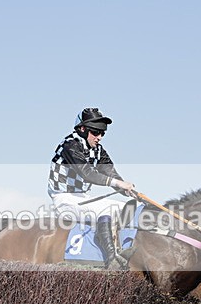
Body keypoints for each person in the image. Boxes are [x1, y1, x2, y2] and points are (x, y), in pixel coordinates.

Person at [47, 107, 137, 269]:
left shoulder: (98, 150)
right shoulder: (70, 145)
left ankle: (122, 248)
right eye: (95, 133)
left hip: (83, 198)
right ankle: (112, 261)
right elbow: (87, 173)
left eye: (102, 133)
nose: (99, 137)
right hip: (63, 198)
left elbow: (110, 172)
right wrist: (117, 184)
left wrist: (127, 190)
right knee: (106, 211)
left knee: (125, 207)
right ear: (82, 129)